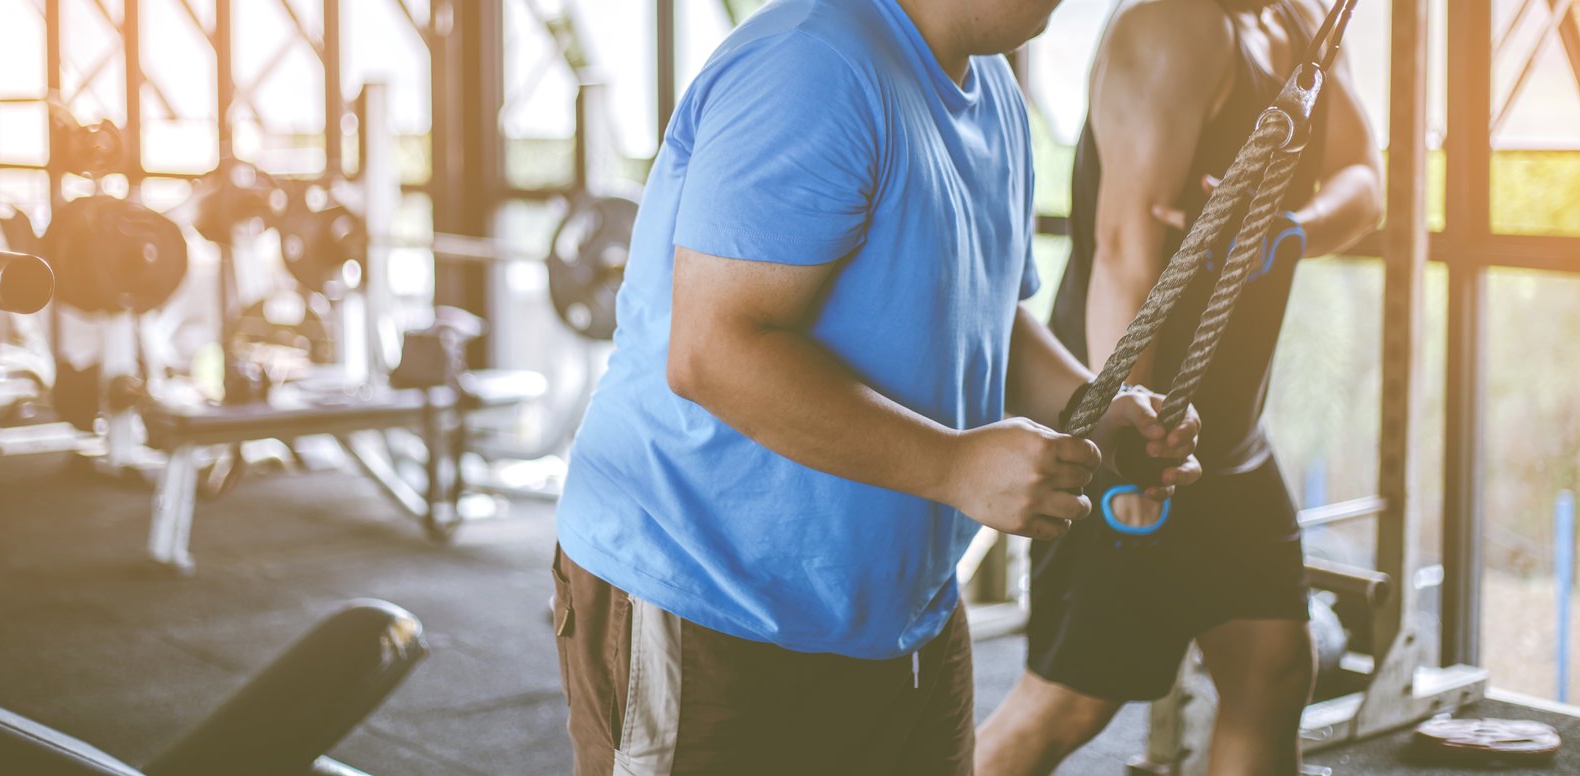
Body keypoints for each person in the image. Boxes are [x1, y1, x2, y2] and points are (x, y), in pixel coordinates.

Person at [548, 0, 1204, 774]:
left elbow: (988, 311)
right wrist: (956, 467)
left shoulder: (993, 93)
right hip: (713, 594)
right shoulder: (812, 67)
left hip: (899, 610)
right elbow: (714, 352)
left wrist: (1095, 413)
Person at [975, 1, 1382, 774]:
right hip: (1128, 417)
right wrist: (1126, 450)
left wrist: (1294, 227)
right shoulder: (1168, 28)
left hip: (1226, 433)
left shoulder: (1300, 24)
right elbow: (1124, 252)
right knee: (1068, 702)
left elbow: (1366, 181)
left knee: (1272, 666)